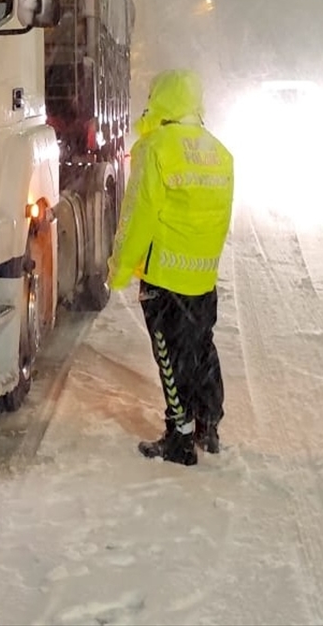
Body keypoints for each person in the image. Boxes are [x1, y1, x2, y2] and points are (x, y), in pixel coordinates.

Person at [108, 69, 234, 466]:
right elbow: (221, 217)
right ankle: (208, 423)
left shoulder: (155, 148)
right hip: (203, 274)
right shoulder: (219, 152)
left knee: (171, 359)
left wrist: (120, 269)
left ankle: (179, 440)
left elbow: (138, 216)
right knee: (200, 348)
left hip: (165, 275)